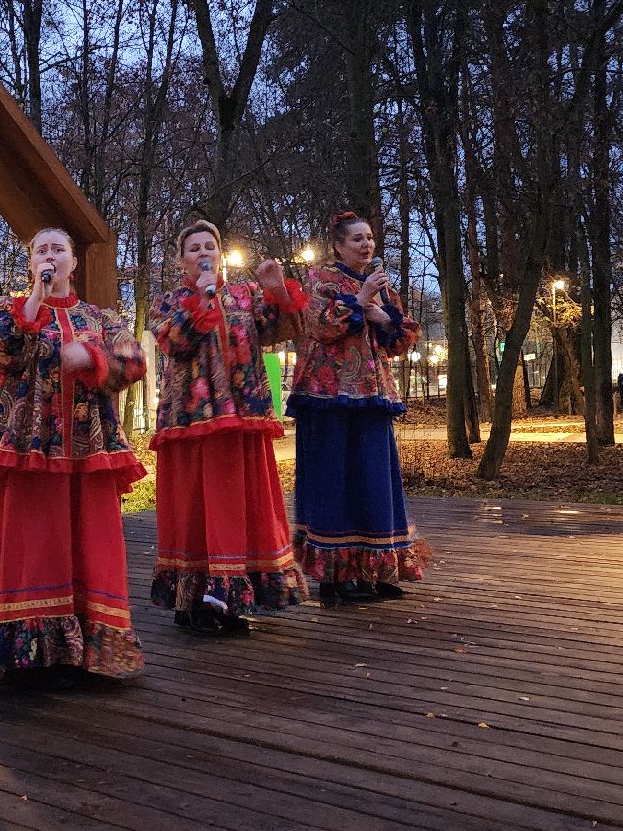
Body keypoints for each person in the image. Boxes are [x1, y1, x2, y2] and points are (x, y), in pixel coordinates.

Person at [0, 228, 149, 685]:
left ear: (73, 262)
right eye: (40, 250)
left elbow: (133, 362)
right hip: (24, 446)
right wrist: (32, 304)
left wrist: (93, 360)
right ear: (31, 263)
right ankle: (26, 652)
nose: (50, 256)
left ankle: (85, 650)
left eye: (58, 249)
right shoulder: (7, 309)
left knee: (88, 539)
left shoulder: (100, 318)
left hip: (87, 446)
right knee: (30, 541)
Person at [148, 219, 309, 636]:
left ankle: (231, 598)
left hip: (242, 414)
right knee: (195, 506)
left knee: (238, 504)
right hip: (191, 419)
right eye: (194, 248)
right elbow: (174, 342)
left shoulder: (245, 295)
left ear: (221, 254)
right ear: (181, 260)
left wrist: (276, 290)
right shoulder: (168, 303)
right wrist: (200, 300)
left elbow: (281, 331)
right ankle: (192, 600)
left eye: (210, 246)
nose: (204, 253)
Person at [289, 211, 431, 603]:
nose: (366, 244)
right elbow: (318, 326)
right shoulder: (320, 279)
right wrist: (361, 298)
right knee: (333, 481)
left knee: (373, 480)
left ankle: (376, 569)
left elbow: (400, 340)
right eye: (357, 239)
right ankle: (335, 576)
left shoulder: (382, 285)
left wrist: (383, 316)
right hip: (327, 396)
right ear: (338, 245)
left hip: (372, 396)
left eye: (369, 237)